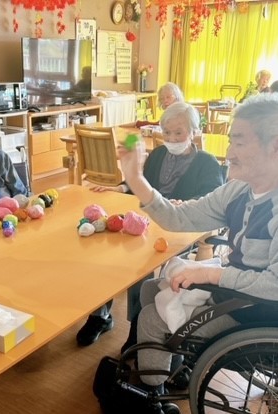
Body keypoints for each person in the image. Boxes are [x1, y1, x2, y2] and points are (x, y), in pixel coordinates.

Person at [116, 92, 278, 401]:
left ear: (275, 147)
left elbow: (275, 285)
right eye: (230, 142)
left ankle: (151, 393)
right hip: (238, 291)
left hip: (256, 309)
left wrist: (210, 274)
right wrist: (135, 179)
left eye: (239, 143)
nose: (229, 153)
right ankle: (174, 365)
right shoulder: (238, 190)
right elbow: (179, 217)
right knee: (150, 289)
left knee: (151, 318)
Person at [76, 102, 224, 348]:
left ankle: (137, 331)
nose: (171, 138)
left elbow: (211, 198)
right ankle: (101, 315)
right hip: (143, 223)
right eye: (167, 132)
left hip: (178, 230)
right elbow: (140, 183)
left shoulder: (207, 163)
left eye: (179, 133)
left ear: (194, 132)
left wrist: (187, 203)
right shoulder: (157, 155)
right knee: (105, 255)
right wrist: (120, 187)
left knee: (139, 269)